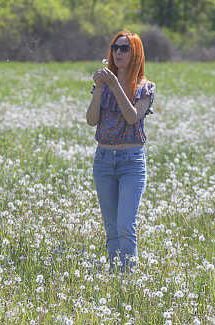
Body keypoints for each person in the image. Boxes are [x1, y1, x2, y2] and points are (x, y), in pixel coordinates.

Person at [86, 30, 156, 274]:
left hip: (131, 162)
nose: (117, 52)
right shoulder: (104, 86)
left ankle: (129, 278)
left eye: (124, 48)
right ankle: (115, 275)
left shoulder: (144, 88)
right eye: (115, 47)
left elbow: (132, 117)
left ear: (135, 53)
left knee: (126, 225)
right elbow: (91, 120)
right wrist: (98, 88)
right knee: (112, 228)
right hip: (104, 160)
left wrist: (115, 85)